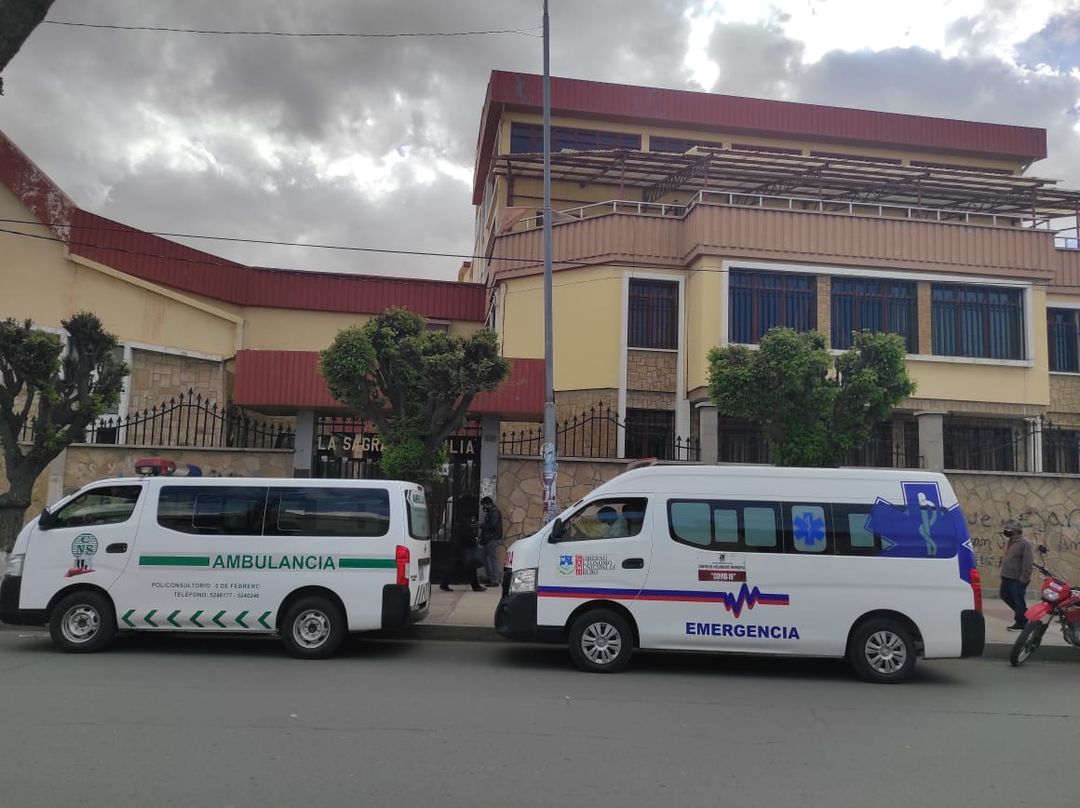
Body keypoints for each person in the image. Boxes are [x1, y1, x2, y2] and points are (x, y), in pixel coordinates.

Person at [439, 498, 485, 592]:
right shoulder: (465, 524)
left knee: (457, 568)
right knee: (470, 568)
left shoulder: (460, 522)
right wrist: (474, 538)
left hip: (459, 549)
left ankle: (444, 584)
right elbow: (467, 536)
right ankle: (475, 586)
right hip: (464, 550)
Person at [999, 520, 1033, 631]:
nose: (1007, 532)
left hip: (1017, 579)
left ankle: (1021, 622)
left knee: (1018, 599)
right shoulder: (1011, 542)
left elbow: (1028, 563)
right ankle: (1023, 613)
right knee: (1004, 595)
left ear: (1016, 532)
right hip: (1007, 576)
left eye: (1010, 530)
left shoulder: (1024, 544)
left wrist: (1024, 578)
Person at [479, 496, 504, 587]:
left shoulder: (494, 513)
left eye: (484, 505)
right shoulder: (491, 512)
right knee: (487, 559)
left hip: (493, 538)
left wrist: (482, 525)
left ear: (488, 504)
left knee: (491, 559)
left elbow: (492, 526)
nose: (483, 507)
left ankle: (494, 579)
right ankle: (490, 577)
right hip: (489, 538)